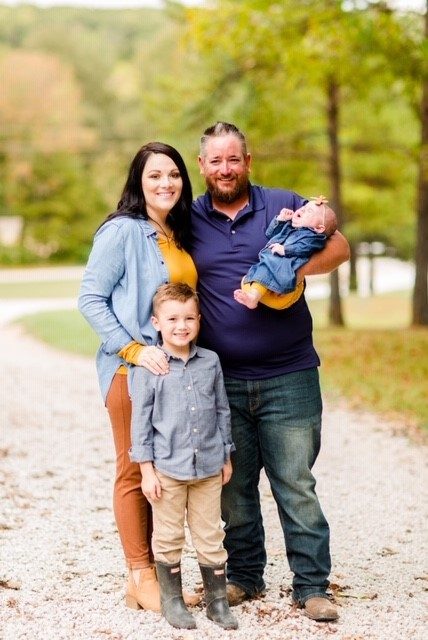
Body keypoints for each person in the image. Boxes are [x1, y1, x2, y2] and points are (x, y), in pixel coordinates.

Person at [190, 122, 350, 622]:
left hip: (290, 373)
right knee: (233, 487)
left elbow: (340, 247)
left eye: (232, 159)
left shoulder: (283, 202)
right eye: (215, 161)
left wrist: (288, 273)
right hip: (221, 380)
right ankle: (244, 577)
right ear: (202, 167)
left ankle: (311, 586)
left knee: (295, 482)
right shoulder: (189, 217)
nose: (224, 169)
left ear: (248, 161)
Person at [78, 142, 200, 613]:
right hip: (132, 372)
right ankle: (141, 578)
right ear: (138, 182)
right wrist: (130, 348)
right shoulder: (123, 232)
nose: (166, 183)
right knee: (134, 472)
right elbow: (91, 298)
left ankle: (157, 577)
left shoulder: (176, 233)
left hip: (174, 375)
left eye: (173, 174)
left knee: (163, 474)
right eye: (154, 176)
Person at [128, 282, 238, 631]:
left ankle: (217, 602)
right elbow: (141, 424)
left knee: (210, 534)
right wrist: (146, 471)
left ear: (199, 320)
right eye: (172, 318)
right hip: (168, 471)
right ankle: (172, 601)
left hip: (207, 467)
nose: (181, 325)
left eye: (189, 317)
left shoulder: (210, 362)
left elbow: (222, 409)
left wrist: (225, 455)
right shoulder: (151, 367)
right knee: (169, 535)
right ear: (156, 322)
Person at [234, 196, 337, 309]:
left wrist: (285, 250)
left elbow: (304, 248)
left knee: (264, 270)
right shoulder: (291, 227)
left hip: (287, 289)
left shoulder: (313, 237)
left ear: (319, 228)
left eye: (309, 211)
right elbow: (271, 234)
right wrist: (281, 220)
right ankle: (253, 296)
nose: (302, 209)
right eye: (304, 207)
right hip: (272, 287)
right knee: (248, 280)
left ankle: (253, 298)